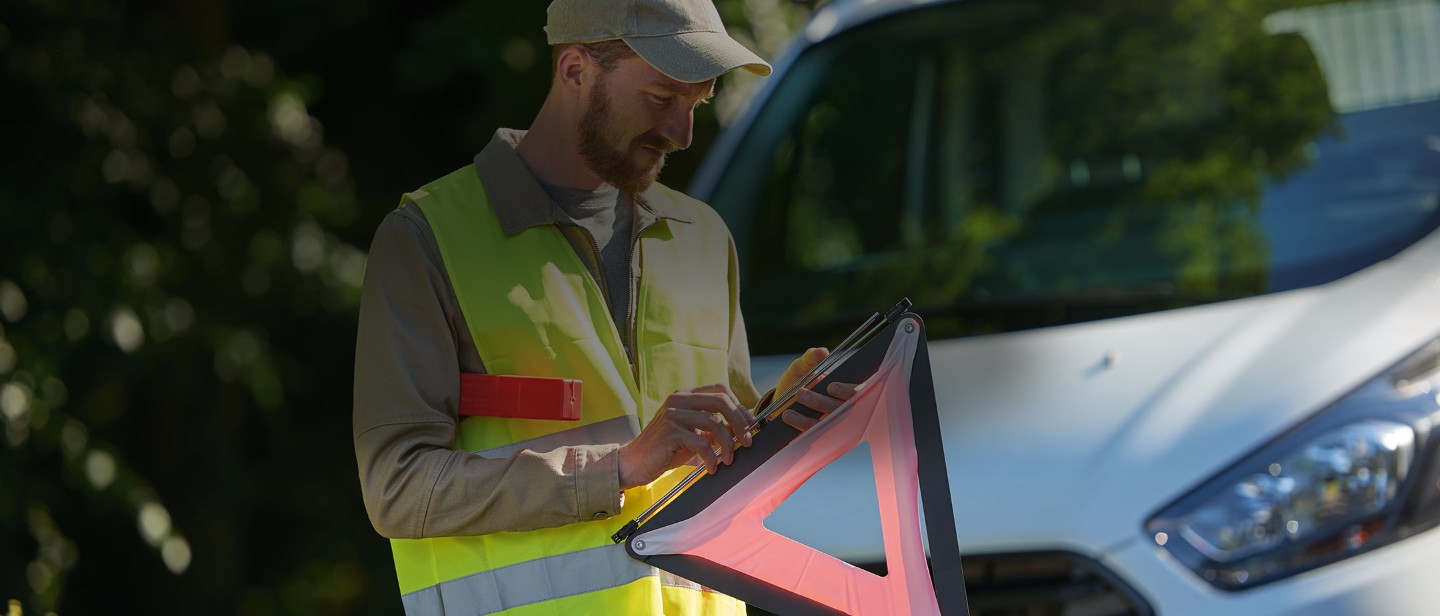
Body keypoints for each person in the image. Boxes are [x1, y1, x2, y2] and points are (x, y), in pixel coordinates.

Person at [352, 0, 855, 614]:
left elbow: (722, 474)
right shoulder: (425, 239)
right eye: (661, 98)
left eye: (694, 104)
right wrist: (618, 468)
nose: (682, 134)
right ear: (574, 70)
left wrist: (780, 423)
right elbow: (397, 490)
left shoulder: (704, 236)